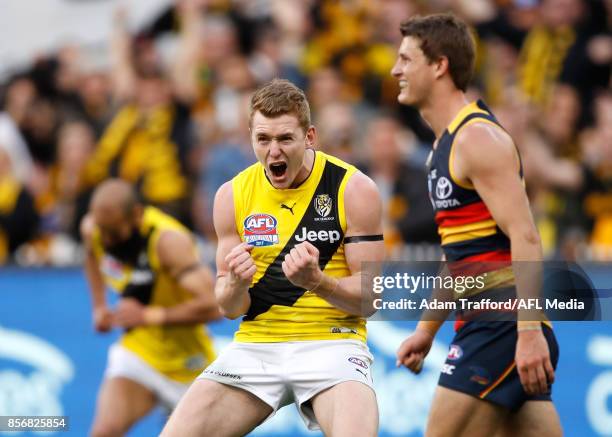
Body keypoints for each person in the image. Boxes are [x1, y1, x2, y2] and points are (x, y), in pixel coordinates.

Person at [161, 79, 384, 436]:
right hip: (257, 347)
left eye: (285, 139)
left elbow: (371, 298)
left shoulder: (353, 189)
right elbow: (229, 307)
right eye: (263, 139)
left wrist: (317, 282)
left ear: (309, 137)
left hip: (332, 342)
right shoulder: (232, 195)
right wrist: (234, 283)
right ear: (250, 136)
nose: (274, 152)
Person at [391, 14, 561, 437]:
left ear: (439, 65)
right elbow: (459, 255)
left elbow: (525, 235)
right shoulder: (441, 150)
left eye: (406, 59)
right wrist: (425, 331)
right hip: (489, 326)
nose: (396, 70)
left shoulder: (477, 139)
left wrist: (528, 333)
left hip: (501, 326)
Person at [81, 179, 220, 437]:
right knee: (104, 431)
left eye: (114, 233)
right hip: (140, 355)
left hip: (191, 365)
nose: (108, 242)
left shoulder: (168, 242)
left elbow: (215, 306)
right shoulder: (95, 228)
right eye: (103, 232)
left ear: (136, 215)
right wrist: (99, 307)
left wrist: (148, 316)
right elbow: (90, 254)